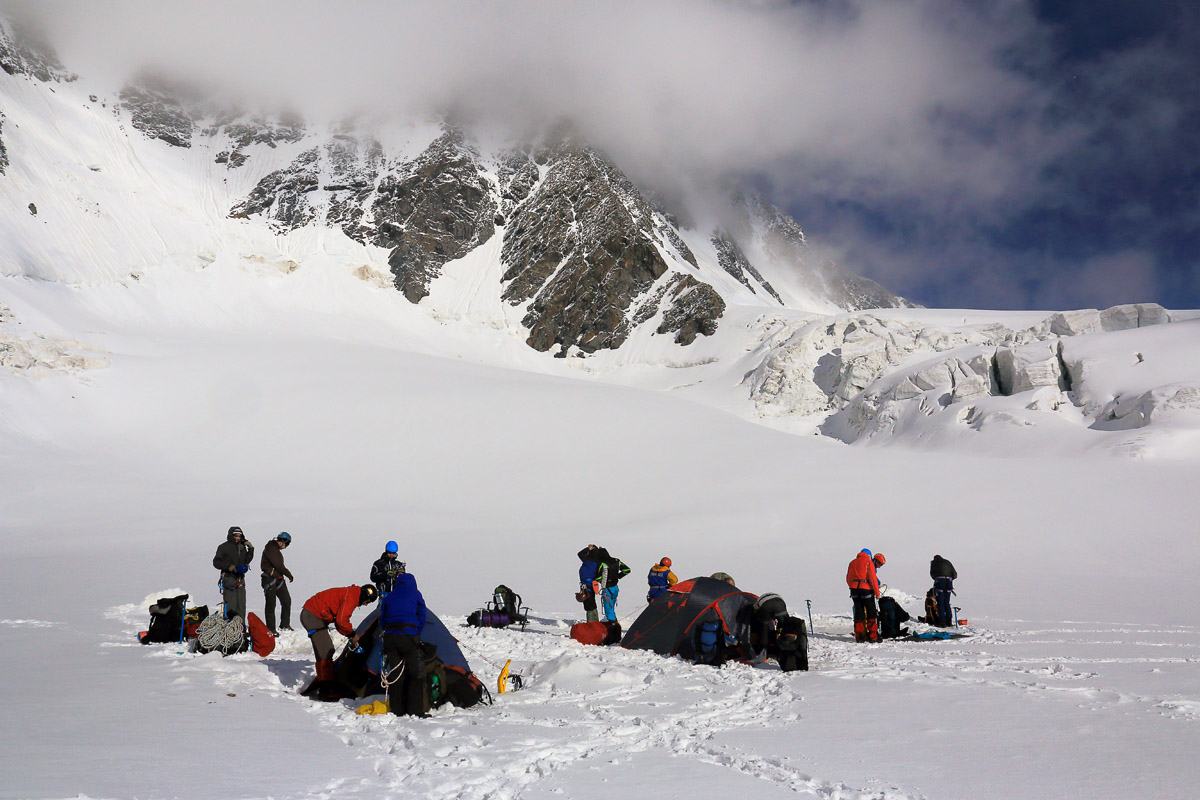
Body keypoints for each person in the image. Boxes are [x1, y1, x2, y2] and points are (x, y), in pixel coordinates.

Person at [300, 584, 378, 699]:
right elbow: (342, 621)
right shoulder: (352, 597)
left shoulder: (352, 593)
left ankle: (325, 687)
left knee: (324, 651)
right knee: (326, 651)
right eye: (367, 601)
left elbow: (340, 623)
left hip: (314, 616)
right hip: (312, 615)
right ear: (365, 596)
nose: (365, 604)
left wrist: (350, 634)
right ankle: (326, 690)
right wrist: (352, 634)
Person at [379, 572, 428, 717]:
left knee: (395, 673)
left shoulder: (390, 596)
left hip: (391, 638)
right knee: (416, 674)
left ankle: (397, 709)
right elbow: (422, 615)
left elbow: (382, 619)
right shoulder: (416, 594)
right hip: (409, 638)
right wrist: (416, 632)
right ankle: (415, 710)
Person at [213, 526, 254, 621]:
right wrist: (230, 567)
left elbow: (247, 560)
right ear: (231, 535)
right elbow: (216, 562)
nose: (237, 538)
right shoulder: (223, 547)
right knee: (231, 606)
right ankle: (230, 629)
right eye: (235, 536)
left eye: (239, 536)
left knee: (241, 605)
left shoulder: (242, 547)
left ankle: (241, 628)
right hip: (229, 579)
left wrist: (251, 549)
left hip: (240, 579)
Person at [846, 549, 885, 643]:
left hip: (854, 591)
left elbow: (848, 578)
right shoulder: (868, 562)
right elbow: (873, 578)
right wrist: (877, 593)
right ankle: (873, 636)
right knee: (871, 612)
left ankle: (860, 636)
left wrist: (852, 587)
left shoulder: (852, 562)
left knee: (859, 612)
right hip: (866, 590)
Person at [260, 532, 294, 635]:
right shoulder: (271, 548)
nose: (286, 546)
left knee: (286, 601)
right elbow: (278, 565)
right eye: (286, 544)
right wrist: (289, 574)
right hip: (270, 580)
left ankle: (284, 624)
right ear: (282, 541)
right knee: (271, 605)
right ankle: (271, 629)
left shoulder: (275, 550)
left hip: (278, 579)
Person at [750, 592, 788, 658]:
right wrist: (779, 631)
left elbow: (758, 616)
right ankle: (786, 648)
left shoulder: (756, 605)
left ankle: (763, 651)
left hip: (766, 605)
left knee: (764, 628)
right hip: (780, 602)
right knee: (786, 624)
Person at [577, 545, 608, 623]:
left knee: (588, 604)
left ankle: (591, 622)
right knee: (592, 602)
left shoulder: (589, 561)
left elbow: (580, 554)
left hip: (587, 585)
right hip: (592, 584)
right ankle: (595, 620)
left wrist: (588, 548)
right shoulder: (597, 562)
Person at [930, 554, 958, 627]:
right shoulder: (947, 562)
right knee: (946, 602)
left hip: (940, 582)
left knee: (940, 602)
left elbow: (932, 574)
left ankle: (942, 622)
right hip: (949, 582)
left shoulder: (934, 563)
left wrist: (938, 579)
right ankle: (949, 621)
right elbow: (955, 575)